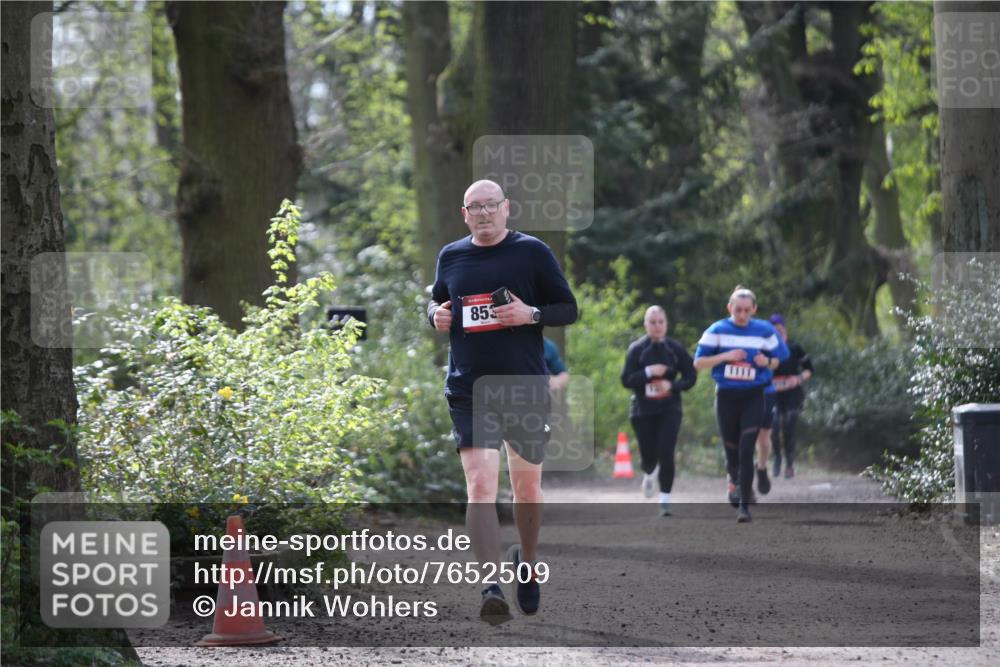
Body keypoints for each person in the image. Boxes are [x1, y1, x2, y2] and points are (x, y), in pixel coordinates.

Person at [427, 179, 577, 622]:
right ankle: (490, 586)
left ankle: (527, 565)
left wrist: (530, 314)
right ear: (465, 214)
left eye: (491, 205)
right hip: (470, 388)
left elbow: (567, 308)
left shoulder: (532, 252)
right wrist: (434, 314)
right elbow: (437, 301)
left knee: (527, 487)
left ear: (507, 208)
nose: (484, 213)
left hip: (524, 387)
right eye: (476, 207)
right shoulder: (451, 256)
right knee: (479, 484)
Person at [693, 286, 789, 523]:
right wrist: (725, 357)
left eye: (747, 310)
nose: (743, 315)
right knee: (732, 451)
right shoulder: (717, 330)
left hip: (753, 396)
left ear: (754, 309)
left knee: (747, 449)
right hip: (726, 397)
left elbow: (780, 360)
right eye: (738, 310)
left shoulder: (764, 331)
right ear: (729, 308)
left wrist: (766, 361)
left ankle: (744, 506)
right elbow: (699, 363)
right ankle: (732, 478)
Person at [620, 306, 697, 516]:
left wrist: (672, 386)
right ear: (646, 325)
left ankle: (665, 499)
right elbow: (626, 380)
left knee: (666, 451)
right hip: (642, 410)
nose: (657, 326)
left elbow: (691, 377)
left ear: (666, 324)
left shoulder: (675, 349)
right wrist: (648, 372)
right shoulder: (637, 349)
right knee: (649, 455)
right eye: (652, 322)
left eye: (660, 322)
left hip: (670, 408)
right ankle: (649, 471)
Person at [768, 314, 814, 479]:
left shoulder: (794, 348)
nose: (777, 332)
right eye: (773, 330)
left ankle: (789, 464)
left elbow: (809, 369)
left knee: (788, 427)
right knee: (773, 428)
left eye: (779, 329)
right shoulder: (766, 350)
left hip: (793, 394)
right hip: (773, 394)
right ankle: (777, 459)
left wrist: (799, 378)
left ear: (784, 329)